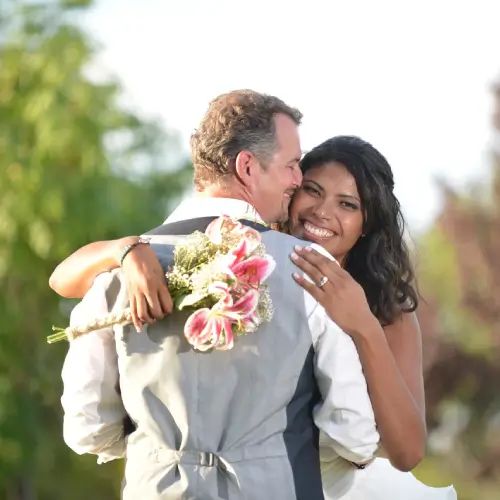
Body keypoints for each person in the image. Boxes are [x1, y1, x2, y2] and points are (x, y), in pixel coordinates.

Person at [52, 134, 457, 499]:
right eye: (311, 191)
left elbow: (407, 452)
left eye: (347, 205)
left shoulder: (388, 312)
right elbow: (62, 279)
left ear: (367, 224)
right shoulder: (244, 262)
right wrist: (124, 250)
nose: (321, 212)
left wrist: (362, 324)